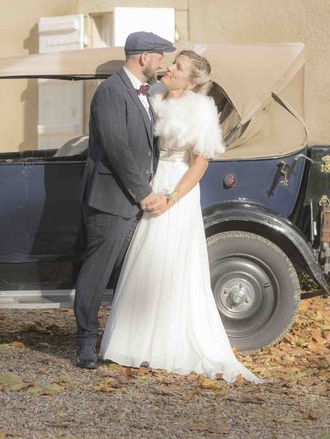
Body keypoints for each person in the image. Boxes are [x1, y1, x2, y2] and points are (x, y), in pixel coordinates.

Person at [99, 50, 261, 383]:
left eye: (178, 67)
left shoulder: (200, 110)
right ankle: (135, 341)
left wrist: (171, 198)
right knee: (145, 259)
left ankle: (167, 345)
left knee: (170, 260)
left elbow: (200, 163)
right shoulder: (154, 96)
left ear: (191, 80)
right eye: (172, 63)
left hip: (177, 188)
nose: (169, 68)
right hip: (151, 181)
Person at [74, 31, 174, 369]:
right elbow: (116, 147)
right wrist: (145, 193)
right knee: (96, 273)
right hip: (111, 199)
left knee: (131, 275)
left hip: (136, 201)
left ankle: (123, 342)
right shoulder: (111, 92)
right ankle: (85, 343)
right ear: (144, 57)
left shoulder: (145, 93)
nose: (163, 64)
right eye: (160, 57)